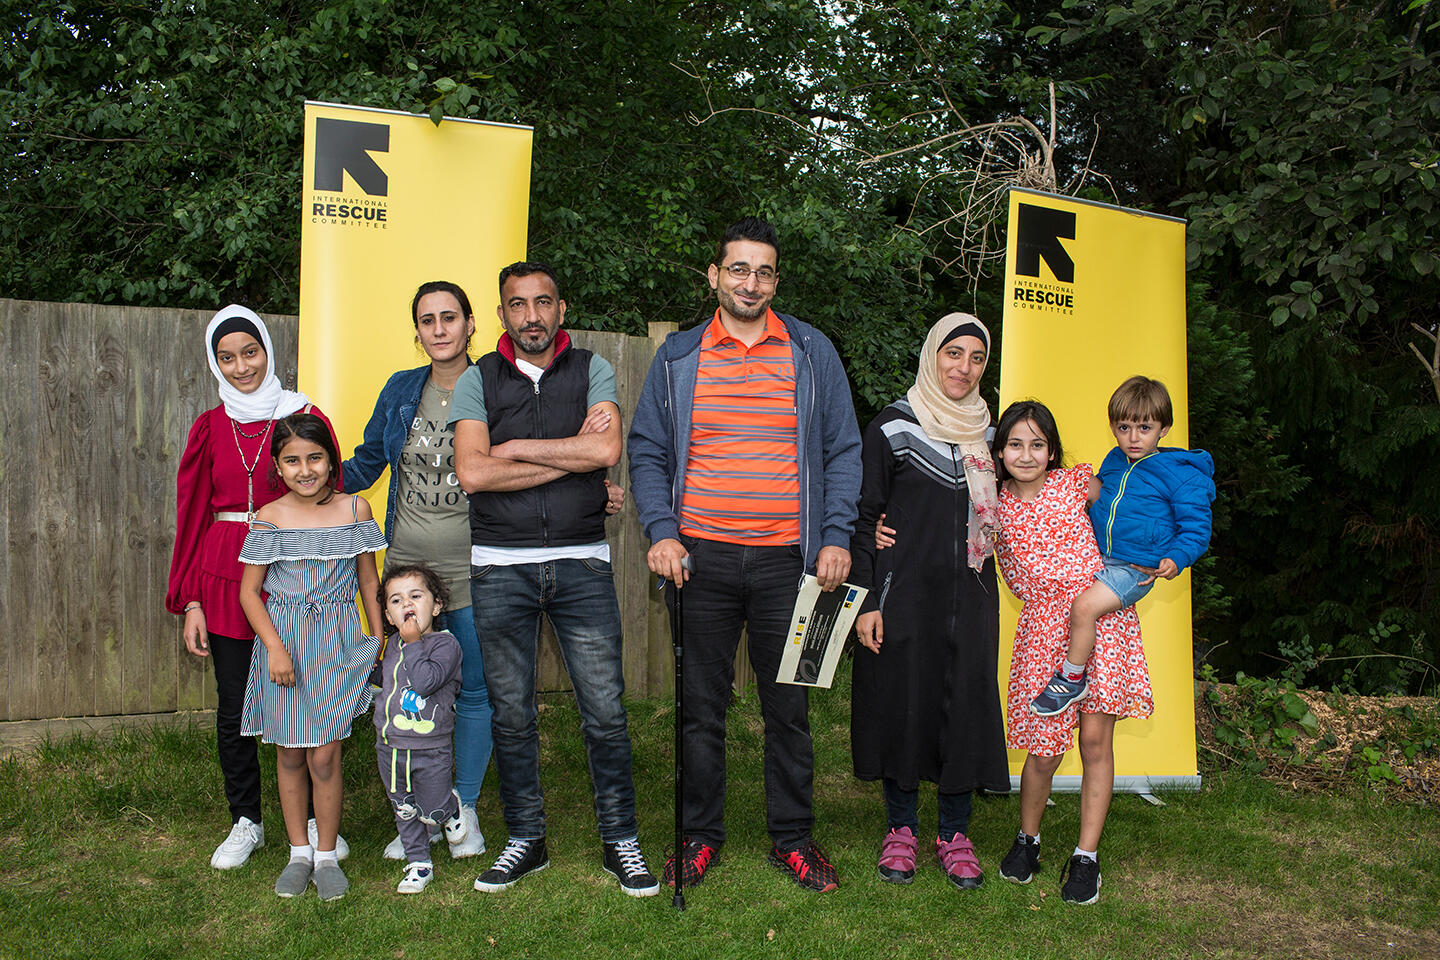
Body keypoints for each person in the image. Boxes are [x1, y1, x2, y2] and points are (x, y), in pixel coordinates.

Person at [628, 216, 863, 893]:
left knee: (788, 707)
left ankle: (792, 838)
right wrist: (663, 530)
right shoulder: (678, 356)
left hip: (792, 563)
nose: (750, 282)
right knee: (701, 707)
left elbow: (843, 451)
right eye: (738, 269)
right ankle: (699, 837)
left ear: (776, 280)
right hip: (699, 560)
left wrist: (835, 537)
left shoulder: (812, 353)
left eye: (763, 271)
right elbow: (648, 451)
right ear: (714, 275)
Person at [450, 261, 658, 897]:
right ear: (503, 314)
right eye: (518, 305)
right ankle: (526, 839)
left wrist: (512, 448)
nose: (532, 316)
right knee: (511, 713)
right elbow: (474, 475)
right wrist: (569, 459)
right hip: (498, 568)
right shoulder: (475, 378)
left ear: (561, 309)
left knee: (605, 711)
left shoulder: (592, 368)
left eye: (543, 303)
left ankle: (620, 838)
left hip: (581, 563)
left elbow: (605, 453)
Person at [166, 305, 350, 870]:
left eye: (251, 352)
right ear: (214, 363)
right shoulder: (210, 426)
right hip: (226, 576)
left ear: (269, 352)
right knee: (234, 706)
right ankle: (247, 819)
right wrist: (191, 598)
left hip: (297, 576)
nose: (241, 366)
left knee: (312, 696)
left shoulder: (302, 414)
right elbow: (193, 511)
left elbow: (331, 496)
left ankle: (319, 820)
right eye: (228, 357)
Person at [850, 313, 1010, 891]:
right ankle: (900, 827)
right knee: (902, 700)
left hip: (971, 595)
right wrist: (867, 598)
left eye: (976, 358)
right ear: (931, 355)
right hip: (902, 593)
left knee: (964, 704)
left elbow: (1038, 489)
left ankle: (954, 831)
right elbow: (863, 516)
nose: (963, 368)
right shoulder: (893, 427)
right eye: (953, 353)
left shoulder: (994, 436)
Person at [342, 280, 491, 862]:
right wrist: (308, 484)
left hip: (478, 568)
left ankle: (464, 810)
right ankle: (425, 813)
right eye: (427, 319)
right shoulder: (402, 390)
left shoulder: (493, 388)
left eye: (449, 317)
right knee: (409, 692)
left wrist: (592, 490)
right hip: (410, 579)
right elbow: (366, 462)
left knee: (472, 691)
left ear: (470, 324)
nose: (439, 328)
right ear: (418, 331)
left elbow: (525, 456)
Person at [988, 400, 1154, 906]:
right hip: (1040, 634)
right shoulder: (989, 506)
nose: (1026, 454)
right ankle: (1028, 840)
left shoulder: (1078, 483)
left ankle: (1086, 856)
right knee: (1043, 750)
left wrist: (1156, 552)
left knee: (1095, 744)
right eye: (1015, 444)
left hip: (1098, 621)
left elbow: (1129, 509)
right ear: (1000, 451)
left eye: (1037, 444)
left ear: (1052, 451)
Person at [237, 413, 385, 901]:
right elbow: (250, 594)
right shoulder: (270, 517)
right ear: (278, 466)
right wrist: (275, 648)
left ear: (331, 459)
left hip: (337, 643)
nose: (305, 470)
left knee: (325, 755)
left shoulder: (355, 510)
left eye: (315, 458)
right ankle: (297, 852)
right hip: (285, 647)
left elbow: (366, 579)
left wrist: (379, 636)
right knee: (289, 752)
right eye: (292, 460)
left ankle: (326, 854)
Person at [1030, 376, 1215, 717]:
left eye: (1144, 427)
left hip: (1134, 569)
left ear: (1163, 428)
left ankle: (1071, 679)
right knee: (1066, 606)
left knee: (1084, 608)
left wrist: (1175, 558)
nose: (1133, 438)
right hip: (1098, 559)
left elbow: (1197, 530)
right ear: (1113, 427)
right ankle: (1068, 668)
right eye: (1124, 427)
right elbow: (1101, 501)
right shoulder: (1114, 460)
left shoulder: (1182, 475)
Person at [373, 563, 468, 894]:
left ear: (437, 605)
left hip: (432, 747)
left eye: (416, 596)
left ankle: (451, 808)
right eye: (396, 601)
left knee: (432, 809)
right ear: (387, 614)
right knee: (403, 806)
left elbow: (426, 682)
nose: (407, 606)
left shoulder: (446, 645)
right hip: (391, 745)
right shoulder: (393, 647)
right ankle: (418, 863)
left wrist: (413, 643)